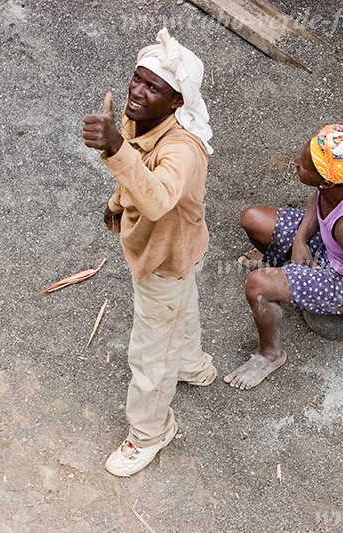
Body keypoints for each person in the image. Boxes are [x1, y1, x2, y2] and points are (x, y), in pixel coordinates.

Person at [82, 28, 215, 476]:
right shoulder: (143, 115)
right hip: (183, 250)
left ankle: (150, 432)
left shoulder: (183, 150)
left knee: (149, 353)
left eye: (153, 87)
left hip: (166, 258)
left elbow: (157, 198)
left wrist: (115, 148)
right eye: (137, 79)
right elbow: (134, 172)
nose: (137, 91)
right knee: (184, 307)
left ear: (177, 102)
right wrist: (116, 203)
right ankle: (194, 365)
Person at [224, 124, 343, 389]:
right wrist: (300, 238)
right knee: (251, 218)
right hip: (335, 249)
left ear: (328, 179)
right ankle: (282, 269)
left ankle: (269, 355)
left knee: (257, 285)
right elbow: (321, 195)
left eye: (305, 165)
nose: (297, 163)